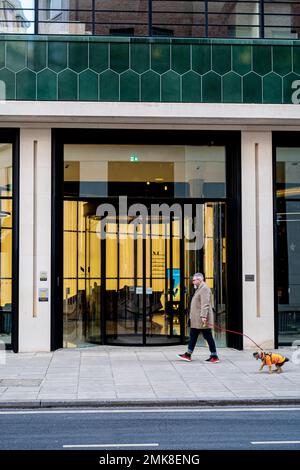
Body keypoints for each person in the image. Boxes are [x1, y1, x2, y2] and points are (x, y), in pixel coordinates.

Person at [177, 273, 219, 363]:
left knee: (208, 336)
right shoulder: (199, 288)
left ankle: (214, 356)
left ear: (200, 280)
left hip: (201, 319)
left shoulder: (204, 289)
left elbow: (205, 304)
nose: (193, 282)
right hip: (197, 319)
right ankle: (188, 354)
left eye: (194, 280)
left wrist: (204, 316)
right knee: (193, 335)